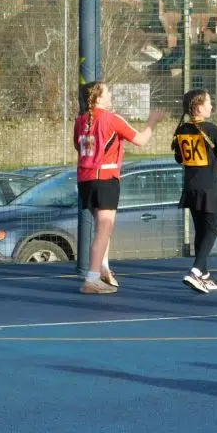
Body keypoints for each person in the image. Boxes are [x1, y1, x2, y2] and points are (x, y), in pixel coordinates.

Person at [74, 82, 165, 294]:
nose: (111, 94)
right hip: (105, 177)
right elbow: (140, 140)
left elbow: (78, 146)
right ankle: (92, 278)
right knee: (104, 229)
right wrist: (152, 122)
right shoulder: (111, 119)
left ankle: (102, 267)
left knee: (101, 228)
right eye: (107, 91)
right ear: (98, 98)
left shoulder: (80, 121)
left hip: (85, 178)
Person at [172, 88, 217, 292]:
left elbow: (179, 158)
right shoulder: (209, 128)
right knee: (211, 230)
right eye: (209, 102)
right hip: (208, 187)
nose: (211, 106)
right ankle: (194, 271)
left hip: (191, 186)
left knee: (200, 230)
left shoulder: (182, 129)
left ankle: (203, 273)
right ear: (199, 107)